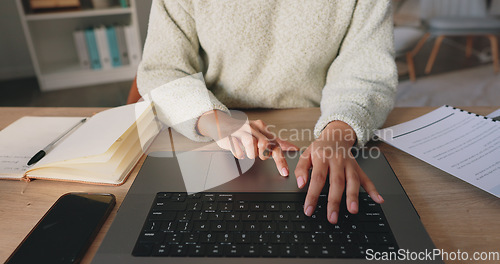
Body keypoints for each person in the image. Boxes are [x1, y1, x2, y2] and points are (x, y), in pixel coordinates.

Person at [137, 0, 397, 224]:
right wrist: (216, 121)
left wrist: (338, 133)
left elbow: (366, 71)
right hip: (209, 133)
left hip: (318, 127)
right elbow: (163, 70)